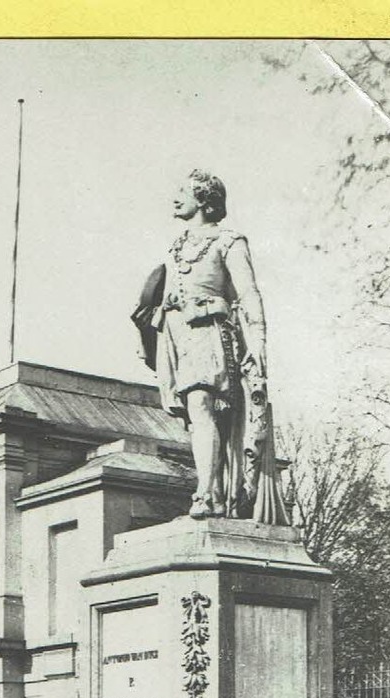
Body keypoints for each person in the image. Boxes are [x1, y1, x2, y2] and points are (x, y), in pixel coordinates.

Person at [132, 170, 287, 523]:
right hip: (175, 336)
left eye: (182, 191)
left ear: (203, 199)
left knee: (202, 405)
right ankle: (213, 492)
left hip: (210, 333)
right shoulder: (176, 246)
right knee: (194, 415)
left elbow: (248, 293)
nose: (174, 197)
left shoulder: (229, 241)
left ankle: (206, 494)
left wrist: (259, 340)